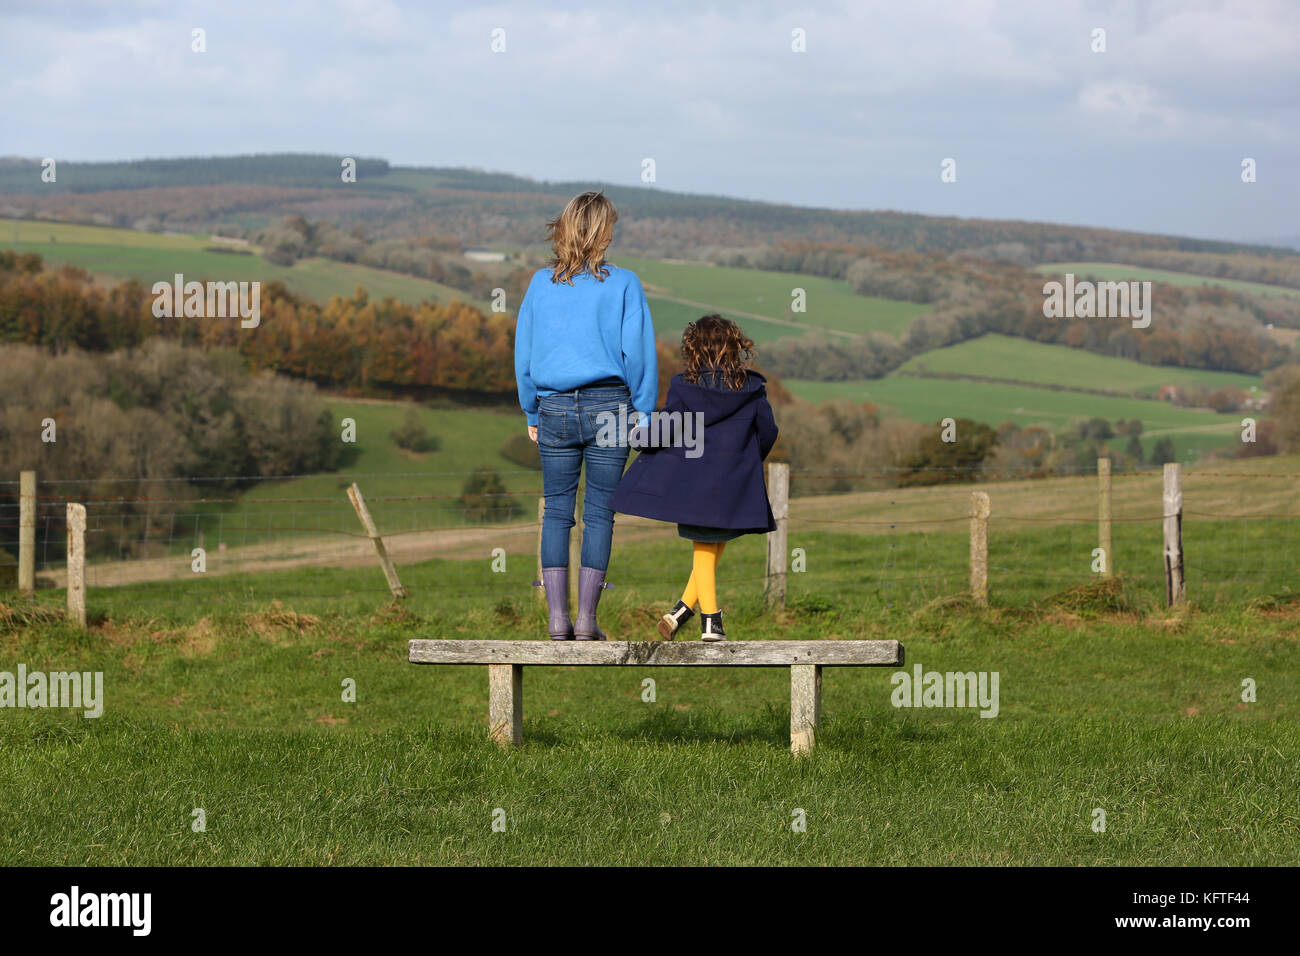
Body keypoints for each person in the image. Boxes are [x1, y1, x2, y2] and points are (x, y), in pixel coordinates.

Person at [514, 191, 657, 640]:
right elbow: (639, 354)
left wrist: (531, 408)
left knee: (557, 512)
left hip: (553, 406)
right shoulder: (625, 283)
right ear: (603, 234)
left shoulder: (541, 283)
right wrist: (645, 412)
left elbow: (524, 354)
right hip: (611, 407)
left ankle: (557, 620)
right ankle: (588, 621)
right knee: (599, 515)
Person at [610, 314, 779, 642]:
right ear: (734, 347)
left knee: (705, 541)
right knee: (715, 540)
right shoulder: (753, 390)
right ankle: (682, 610)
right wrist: (747, 460)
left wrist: (637, 437)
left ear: (693, 349)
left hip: (695, 487)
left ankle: (711, 620)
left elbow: (667, 428)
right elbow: (768, 432)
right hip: (734, 484)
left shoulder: (685, 389)